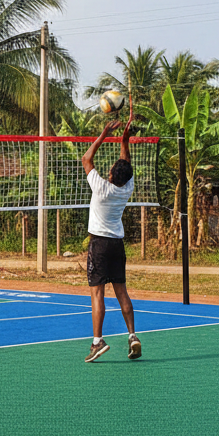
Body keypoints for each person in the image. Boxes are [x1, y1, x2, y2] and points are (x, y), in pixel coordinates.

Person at [81, 100, 142, 362]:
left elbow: (86, 158)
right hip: (117, 244)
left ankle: (97, 342)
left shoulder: (101, 187)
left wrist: (104, 134)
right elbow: (124, 162)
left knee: (97, 293)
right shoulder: (125, 189)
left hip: (99, 245)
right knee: (122, 292)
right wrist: (124, 140)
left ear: (110, 173)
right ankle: (132, 336)